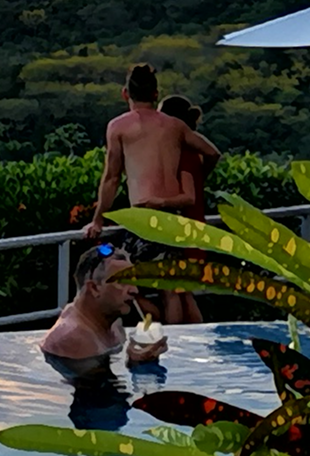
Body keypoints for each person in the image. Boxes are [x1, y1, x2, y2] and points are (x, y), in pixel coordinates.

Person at [87, 64, 217, 323]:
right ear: (156, 94)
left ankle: (158, 333)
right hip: (175, 217)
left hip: (145, 215)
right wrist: (197, 177)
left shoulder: (118, 127)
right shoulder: (175, 126)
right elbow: (211, 152)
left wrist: (98, 219)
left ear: (125, 94)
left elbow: (112, 178)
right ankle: (176, 345)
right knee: (171, 288)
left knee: (124, 281)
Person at [39, 247, 168, 385]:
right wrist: (134, 363)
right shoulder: (73, 336)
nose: (134, 290)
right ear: (94, 288)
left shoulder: (113, 322)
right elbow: (99, 393)